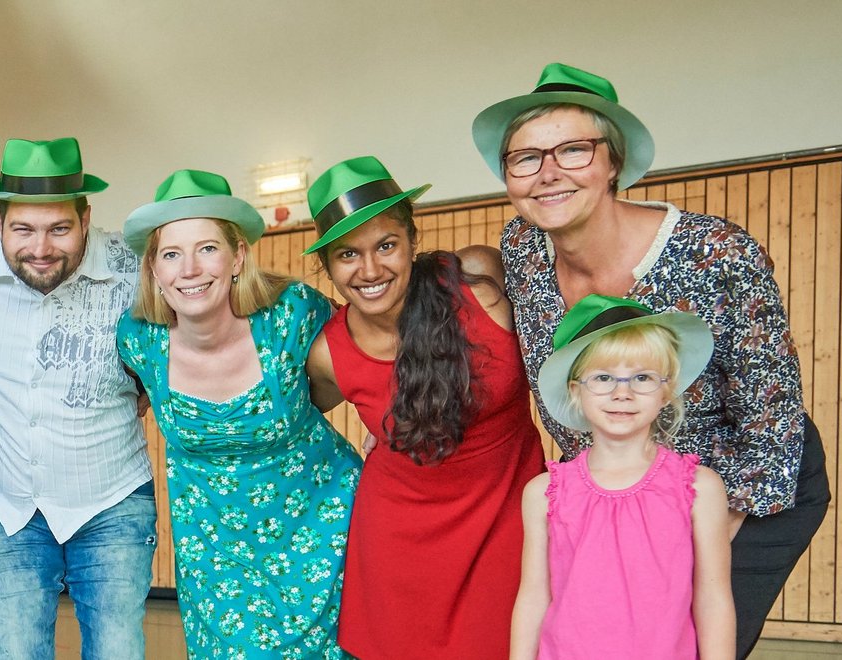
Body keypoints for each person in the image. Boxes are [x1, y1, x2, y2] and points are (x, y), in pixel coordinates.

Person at [475, 62, 828, 656]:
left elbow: (773, 422)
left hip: (741, 479)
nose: (549, 173)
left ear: (614, 162)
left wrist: (690, 536)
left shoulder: (716, 251)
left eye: (574, 150)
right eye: (526, 157)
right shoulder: (521, 247)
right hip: (610, 477)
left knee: (684, 639)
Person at [300, 157, 543, 659]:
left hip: (508, 523)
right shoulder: (328, 353)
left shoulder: (479, 281)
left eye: (386, 245)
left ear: (412, 239)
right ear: (327, 266)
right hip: (398, 542)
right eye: (347, 254)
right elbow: (298, 421)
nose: (369, 270)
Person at [114, 170, 359, 658]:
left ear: (237, 257)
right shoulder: (139, 340)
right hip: (215, 551)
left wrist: (386, 422)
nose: (189, 269)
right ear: (154, 271)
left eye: (207, 248)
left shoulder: (293, 313)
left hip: (322, 526)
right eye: (170, 254)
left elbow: (363, 357)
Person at [0, 137, 158, 660]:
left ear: (86, 219)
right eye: (23, 229)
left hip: (113, 501)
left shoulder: (136, 268)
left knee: (117, 651)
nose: (41, 248)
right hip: (7, 506)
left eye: (59, 228)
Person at [510, 295, 735, 659]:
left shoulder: (699, 488)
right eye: (603, 377)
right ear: (575, 390)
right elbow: (534, 596)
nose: (622, 393)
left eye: (642, 377)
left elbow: (713, 599)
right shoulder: (545, 493)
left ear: (666, 390)